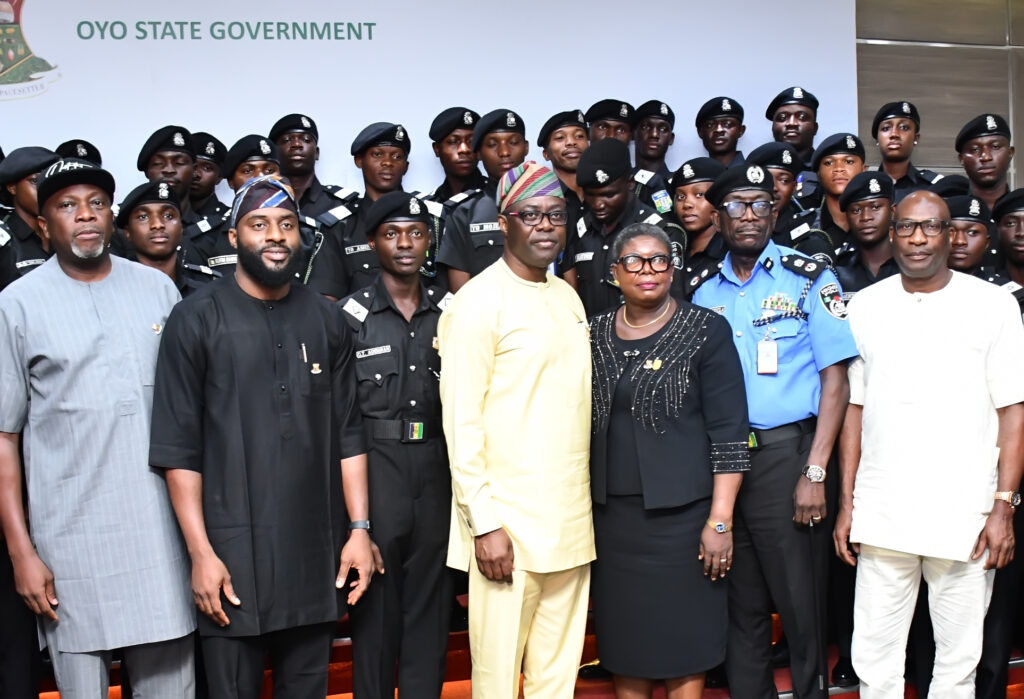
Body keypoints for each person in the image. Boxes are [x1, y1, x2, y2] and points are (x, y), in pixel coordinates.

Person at [150, 175, 380, 699]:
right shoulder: (194, 319)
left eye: (286, 224)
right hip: (229, 558)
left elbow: (349, 433)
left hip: (314, 554)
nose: (275, 235)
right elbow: (178, 450)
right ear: (234, 238)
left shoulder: (327, 320)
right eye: (259, 224)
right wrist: (200, 555)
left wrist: (360, 531)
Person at [0, 157, 196, 697]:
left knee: (172, 687)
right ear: (43, 225)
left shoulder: (157, 291)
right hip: (69, 546)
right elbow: (4, 438)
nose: (85, 216)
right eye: (66, 205)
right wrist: (22, 552)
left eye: (96, 203)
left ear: (112, 217)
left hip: (160, 535)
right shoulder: (15, 305)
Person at [835, 190, 1024, 699]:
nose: (918, 238)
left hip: (965, 512)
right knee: (874, 654)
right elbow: (853, 409)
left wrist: (1003, 508)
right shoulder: (866, 306)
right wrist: (848, 502)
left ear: (951, 234)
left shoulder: (994, 306)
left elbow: (1013, 412)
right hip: (884, 509)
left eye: (932, 227)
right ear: (892, 232)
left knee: (958, 658)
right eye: (907, 227)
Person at [692, 165, 858, 699]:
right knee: (740, 607)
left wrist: (816, 469)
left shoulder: (809, 276)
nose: (748, 215)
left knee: (801, 606)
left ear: (775, 211)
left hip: (789, 457)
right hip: (723, 464)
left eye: (760, 204)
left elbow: (836, 379)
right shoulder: (700, 293)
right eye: (736, 205)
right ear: (717, 217)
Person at [438, 161, 594, 698]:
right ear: (504, 224)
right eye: (531, 215)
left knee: (557, 679)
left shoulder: (567, 297)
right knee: (498, 681)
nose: (546, 225)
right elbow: (461, 424)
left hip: (570, 524)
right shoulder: (476, 304)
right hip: (507, 529)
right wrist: (484, 525)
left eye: (556, 214)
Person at [589, 221, 749, 698]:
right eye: (633, 261)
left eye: (659, 260)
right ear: (615, 271)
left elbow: (729, 435)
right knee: (626, 647)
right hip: (612, 522)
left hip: (685, 522)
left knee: (686, 646)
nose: (648, 271)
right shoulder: (592, 332)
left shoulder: (706, 330)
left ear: (673, 267)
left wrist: (720, 521)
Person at [342, 191, 453, 699]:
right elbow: (338, 417)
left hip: (436, 468)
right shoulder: (350, 317)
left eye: (415, 232)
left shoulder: (452, 314)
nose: (404, 243)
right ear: (372, 242)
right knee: (375, 615)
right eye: (391, 233)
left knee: (430, 612)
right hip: (377, 466)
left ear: (429, 241)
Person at [562, 137, 685, 316]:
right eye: (591, 195)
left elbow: (675, 305)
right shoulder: (581, 229)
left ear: (630, 183)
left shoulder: (660, 232)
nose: (598, 204)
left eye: (609, 195)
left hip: (641, 340)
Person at [307, 122, 413, 300]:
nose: (388, 162)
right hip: (358, 327)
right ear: (359, 161)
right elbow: (328, 302)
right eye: (377, 154)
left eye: (397, 156)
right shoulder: (339, 226)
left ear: (406, 166)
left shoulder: (431, 222)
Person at [436, 109, 529, 292]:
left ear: (526, 147)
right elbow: (460, 295)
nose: (504, 152)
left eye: (513, 142)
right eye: (493, 144)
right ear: (478, 153)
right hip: (486, 319)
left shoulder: (550, 204)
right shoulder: (463, 211)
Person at [117, 180, 221, 297]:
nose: (158, 224)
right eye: (143, 217)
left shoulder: (208, 289)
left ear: (181, 226)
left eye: (168, 216)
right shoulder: (115, 289)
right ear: (127, 232)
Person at [269, 113, 359, 224]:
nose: (297, 144)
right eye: (287, 140)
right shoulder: (260, 203)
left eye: (306, 140)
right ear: (274, 154)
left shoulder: (343, 204)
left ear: (317, 153)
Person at [802, 133, 868, 264]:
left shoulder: (877, 223)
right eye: (829, 162)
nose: (839, 169)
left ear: (863, 169)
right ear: (818, 174)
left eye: (848, 161)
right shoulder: (803, 224)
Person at [834, 172, 900, 300]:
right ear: (847, 217)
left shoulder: (910, 265)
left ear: (893, 212)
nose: (866, 217)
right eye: (856, 210)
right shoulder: (838, 271)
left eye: (875, 207)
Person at [668, 156, 726, 297]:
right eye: (681, 197)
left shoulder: (730, 254)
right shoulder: (673, 247)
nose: (687, 204)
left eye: (699, 194)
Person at [0, 146, 59, 277]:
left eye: (50, 182)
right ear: (12, 188)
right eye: (35, 181)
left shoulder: (65, 232)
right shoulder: (4, 240)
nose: (45, 190)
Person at [870, 101, 942, 202]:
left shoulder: (935, 187)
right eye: (886, 128)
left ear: (916, 138)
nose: (894, 134)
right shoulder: (864, 186)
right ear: (877, 139)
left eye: (904, 127)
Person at [765, 86, 820, 204]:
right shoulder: (757, 169)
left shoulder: (825, 170)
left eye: (802, 117)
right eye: (782, 118)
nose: (791, 123)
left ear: (815, 128)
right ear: (773, 127)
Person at [538, 109, 589, 230]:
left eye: (579, 136)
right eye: (560, 137)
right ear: (546, 154)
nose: (571, 142)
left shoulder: (604, 194)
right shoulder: (539, 199)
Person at [957, 114, 1013, 215]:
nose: (986, 157)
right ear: (962, 159)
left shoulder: (1020, 211)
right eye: (975, 149)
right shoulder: (949, 213)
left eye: (995, 147)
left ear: (1010, 153)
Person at [427, 107, 486, 201]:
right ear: (437, 149)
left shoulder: (498, 197)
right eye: (453, 142)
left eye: (471, 141)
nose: (464, 149)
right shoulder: (430, 203)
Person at [631, 100, 675, 214]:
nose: (654, 135)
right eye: (646, 127)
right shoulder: (622, 182)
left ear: (671, 139)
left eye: (663, 129)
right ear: (634, 134)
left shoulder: (678, 184)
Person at [946, 195, 998, 281]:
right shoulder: (918, 291)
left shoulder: (1002, 292)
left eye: (972, 232)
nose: (960, 241)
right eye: (949, 232)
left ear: (986, 243)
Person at [695, 97, 745, 168]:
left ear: (741, 130)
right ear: (700, 132)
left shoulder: (758, 176)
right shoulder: (693, 177)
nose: (719, 130)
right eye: (710, 125)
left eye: (727, 124)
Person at [189, 131, 229, 221]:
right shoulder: (165, 216)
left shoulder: (231, 220)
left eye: (207, 168)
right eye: (192, 165)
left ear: (219, 177)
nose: (196, 174)